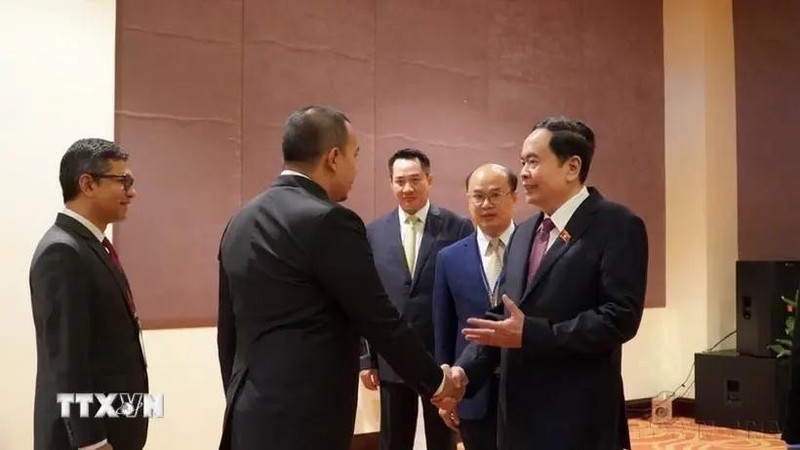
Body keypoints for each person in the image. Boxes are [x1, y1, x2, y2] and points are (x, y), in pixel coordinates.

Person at [216, 105, 463, 450]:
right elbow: (379, 319)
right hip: (306, 418)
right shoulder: (331, 222)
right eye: (355, 155)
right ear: (333, 157)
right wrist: (438, 383)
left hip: (247, 411)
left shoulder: (240, 221)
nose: (356, 168)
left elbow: (228, 331)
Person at [443, 117, 649, 450]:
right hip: (517, 419)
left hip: (576, 417)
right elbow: (505, 317)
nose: (522, 172)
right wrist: (464, 372)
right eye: (522, 162)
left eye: (533, 162)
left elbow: (619, 317)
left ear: (572, 167)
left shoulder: (617, 225)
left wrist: (534, 333)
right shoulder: (524, 232)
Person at [29, 138, 147, 450]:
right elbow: (66, 360)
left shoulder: (92, 247)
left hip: (115, 423)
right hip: (84, 440)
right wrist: (91, 442)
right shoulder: (62, 252)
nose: (131, 191)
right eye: (123, 181)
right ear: (87, 184)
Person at [359, 148, 473, 450]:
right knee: (393, 439)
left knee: (441, 436)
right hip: (391, 355)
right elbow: (365, 298)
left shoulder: (457, 226)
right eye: (399, 181)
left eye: (414, 180)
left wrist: (460, 357)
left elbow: (463, 295)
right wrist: (366, 359)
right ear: (391, 184)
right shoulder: (373, 232)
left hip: (440, 357)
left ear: (429, 180)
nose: (407, 188)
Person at [432, 164, 518, 450]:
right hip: (471, 391)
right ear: (467, 200)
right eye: (477, 196)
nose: (486, 204)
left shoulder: (533, 249)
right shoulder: (449, 258)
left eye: (495, 195)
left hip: (526, 386)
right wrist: (447, 393)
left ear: (514, 197)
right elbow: (443, 331)